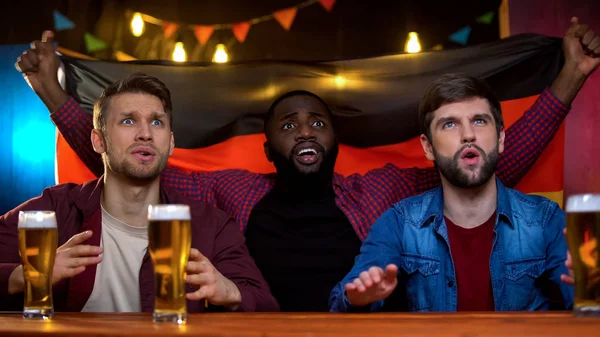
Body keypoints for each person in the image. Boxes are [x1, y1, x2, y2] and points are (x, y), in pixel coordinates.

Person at [15, 17, 599, 312]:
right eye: (288, 124)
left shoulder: (385, 189)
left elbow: (482, 163)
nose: (304, 131)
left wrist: (570, 76)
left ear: (337, 139)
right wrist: (53, 96)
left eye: (317, 122)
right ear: (268, 146)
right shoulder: (232, 193)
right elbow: (134, 158)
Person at [0, 73, 279, 313]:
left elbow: (267, 305)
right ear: (99, 141)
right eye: (128, 121)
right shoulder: (52, 209)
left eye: (156, 122)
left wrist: (229, 291)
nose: (145, 133)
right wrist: (25, 276)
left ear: (170, 144)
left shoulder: (212, 225)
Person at [329, 72, 575, 312]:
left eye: (479, 120)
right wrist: (358, 298)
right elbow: (342, 300)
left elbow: (584, 304)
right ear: (428, 147)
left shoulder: (546, 219)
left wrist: (588, 287)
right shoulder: (398, 222)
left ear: (500, 139)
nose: (468, 135)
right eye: (449, 124)